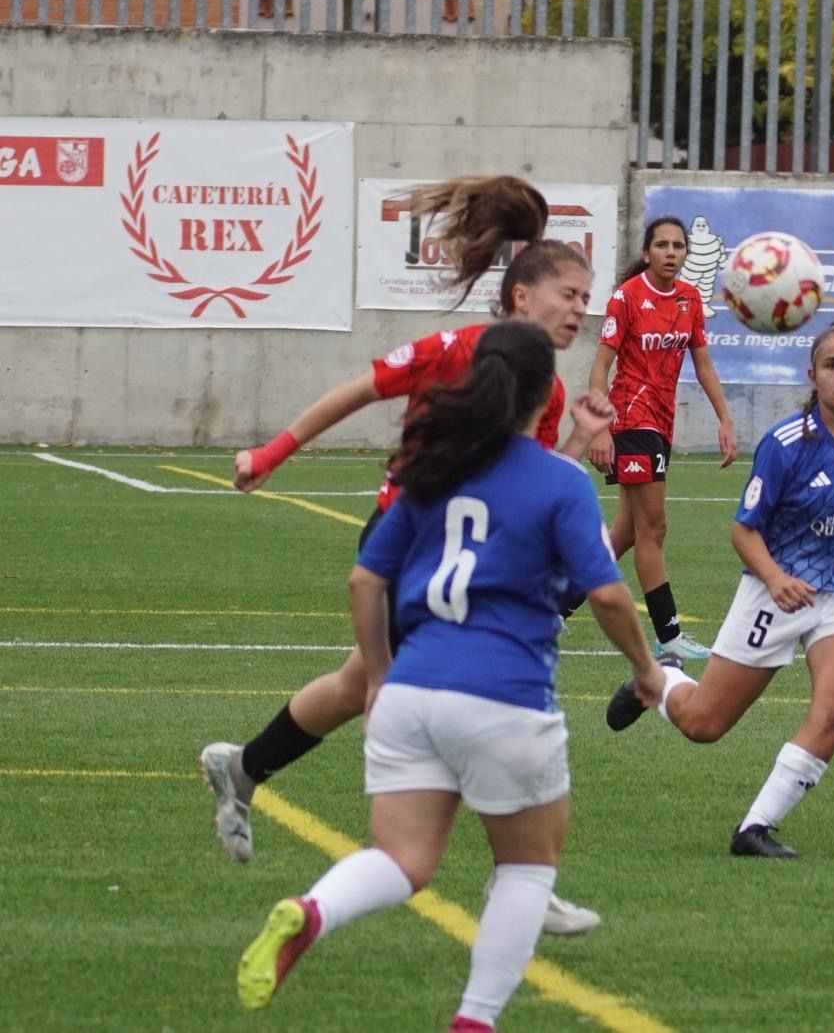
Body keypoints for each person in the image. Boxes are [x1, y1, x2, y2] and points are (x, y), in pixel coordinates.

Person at [201, 175, 610, 934]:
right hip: (405, 542)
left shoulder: (542, 384)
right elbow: (357, 392)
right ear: (522, 296)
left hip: (464, 555)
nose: (582, 310)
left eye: (588, 298)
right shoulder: (453, 348)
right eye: (571, 293)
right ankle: (519, 875)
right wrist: (273, 452)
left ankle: (243, 766)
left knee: (364, 684)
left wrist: (578, 443)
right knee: (481, 690)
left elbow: (523, 475)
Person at [235, 322, 666, 1030]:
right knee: (527, 866)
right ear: (544, 394)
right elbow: (610, 593)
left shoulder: (432, 469)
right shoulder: (560, 480)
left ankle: (313, 908)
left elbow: (364, 578)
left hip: (410, 693)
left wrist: (376, 679)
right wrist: (646, 669)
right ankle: (474, 1020)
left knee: (402, 858)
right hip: (506, 698)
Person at [602, 322, 834, 858]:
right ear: (811, 375)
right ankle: (659, 680)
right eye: (832, 366)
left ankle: (755, 828)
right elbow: (743, 529)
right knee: (703, 724)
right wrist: (775, 578)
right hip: (775, 592)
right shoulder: (786, 444)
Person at [575, 215, 739, 659]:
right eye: (662, 245)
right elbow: (599, 367)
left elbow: (703, 363)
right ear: (647, 252)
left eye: (678, 246)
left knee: (627, 531)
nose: (671, 252)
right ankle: (668, 634)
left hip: (661, 424)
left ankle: (553, 607)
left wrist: (724, 419)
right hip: (630, 418)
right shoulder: (627, 299)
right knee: (654, 526)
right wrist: (602, 428)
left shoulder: (688, 299)